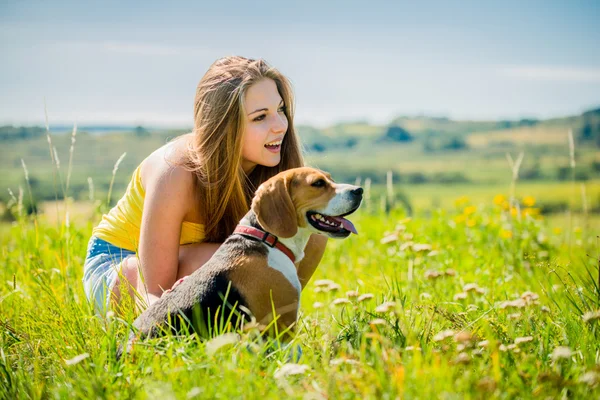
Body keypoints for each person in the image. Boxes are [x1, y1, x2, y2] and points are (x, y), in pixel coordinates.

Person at [82, 56, 328, 314]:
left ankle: (267, 324)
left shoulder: (269, 171)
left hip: (194, 260)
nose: (280, 126)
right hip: (121, 262)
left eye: (280, 110)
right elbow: (154, 289)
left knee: (310, 232)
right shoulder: (174, 171)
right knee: (250, 261)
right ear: (224, 125)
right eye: (260, 117)